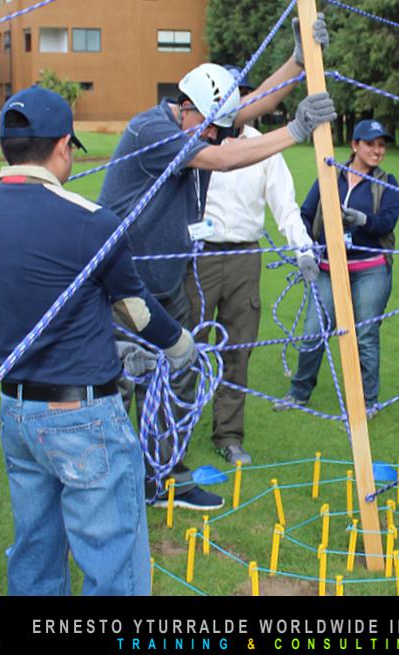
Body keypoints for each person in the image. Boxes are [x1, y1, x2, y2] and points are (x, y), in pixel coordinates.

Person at [0, 86, 194, 595]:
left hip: (18, 411)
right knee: (113, 562)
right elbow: (135, 310)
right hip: (82, 415)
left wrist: (112, 346)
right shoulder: (90, 221)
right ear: (63, 145)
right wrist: (179, 345)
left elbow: (27, 298)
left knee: (36, 551)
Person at [98, 17, 335, 509]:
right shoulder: (151, 130)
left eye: (218, 129)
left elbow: (249, 107)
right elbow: (225, 159)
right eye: (209, 126)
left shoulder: (198, 122)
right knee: (118, 385)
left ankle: (165, 477)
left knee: (177, 375)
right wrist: (296, 131)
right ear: (186, 106)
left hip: (168, 283)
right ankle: (112, 488)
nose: (213, 136)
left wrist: (296, 62)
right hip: (124, 287)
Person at [184, 65, 317, 466]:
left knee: (238, 350)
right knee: (187, 348)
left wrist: (303, 249)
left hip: (244, 257)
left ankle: (228, 435)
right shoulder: (196, 142)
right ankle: (175, 434)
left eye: (241, 95)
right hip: (198, 257)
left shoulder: (264, 147)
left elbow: (285, 205)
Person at [275, 119, 399, 416]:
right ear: (355, 145)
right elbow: (306, 214)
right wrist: (306, 247)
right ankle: (298, 393)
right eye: (370, 144)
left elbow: (387, 222)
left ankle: (368, 402)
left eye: (381, 145)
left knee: (365, 334)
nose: (377, 150)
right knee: (313, 330)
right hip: (328, 269)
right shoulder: (329, 176)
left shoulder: (387, 182)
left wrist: (362, 220)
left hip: (370, 271)